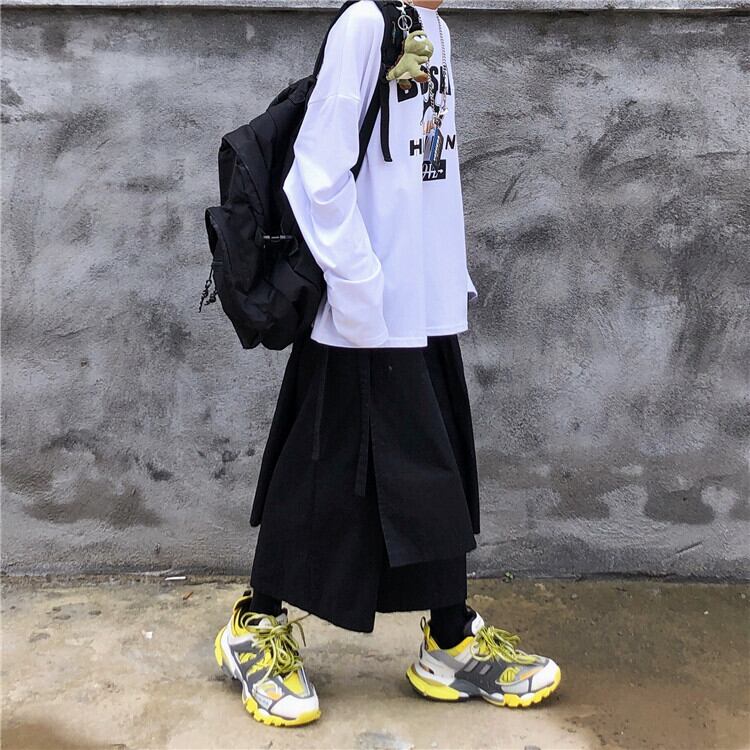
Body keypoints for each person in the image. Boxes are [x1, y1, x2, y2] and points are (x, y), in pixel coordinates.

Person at [213, 0, 561, 727]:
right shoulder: (366, 25)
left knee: (432, 469)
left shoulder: (436, 29)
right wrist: (361, 286)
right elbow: (317, 169)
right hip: (362, 309)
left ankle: (450, 640)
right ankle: (256, 627)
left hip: (421, 303)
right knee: (322, 472)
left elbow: (428, 169)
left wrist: (443, 280)